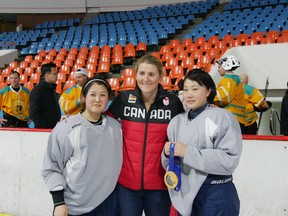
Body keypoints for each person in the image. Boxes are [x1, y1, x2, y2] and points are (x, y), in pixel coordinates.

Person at [105, 54, 185, 216]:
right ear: (135, 75)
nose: (146, 79)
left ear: (160, 77)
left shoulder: (173, 103)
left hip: (160, 187)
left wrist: (209, 108)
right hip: (126, 186)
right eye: (142, 74)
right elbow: (101, 121)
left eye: (151, 74)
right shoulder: (124, 100)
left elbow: (188, 126)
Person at [162, 69, 242, 216]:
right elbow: (169, 164)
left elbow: (229, 160)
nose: (189, 94)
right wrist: (167, 154)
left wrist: (188, 152)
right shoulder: (176, 122)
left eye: (195, 89)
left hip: (216, 192)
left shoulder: (222, 117)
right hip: (185, 192)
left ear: (208, 91)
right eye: (185, 90)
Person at [41, 77, 123, 216]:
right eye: (93, 94)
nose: (97, 99)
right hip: (73, 207)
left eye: (102, 95)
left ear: (108, 98)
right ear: (83, 98)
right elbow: (51, 167)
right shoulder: (66, 128)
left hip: (107, 203)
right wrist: (59, 203)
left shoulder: (115, 127)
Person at [213, 54, 246, 133]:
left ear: (225, 66)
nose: (218, 70)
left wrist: (208, 96)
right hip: (237, 119)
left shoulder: (228, 80)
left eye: (219, 67)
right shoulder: (235, 79)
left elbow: (224, 97)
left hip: (231, 118)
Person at [29, 63, 61, 128]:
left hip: (53, 129)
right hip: (44, 132)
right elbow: (34, 114)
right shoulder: (38, 90)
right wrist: (45, 128)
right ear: (46, 75)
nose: (57, 76)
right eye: (55, 74)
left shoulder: (51, 89)